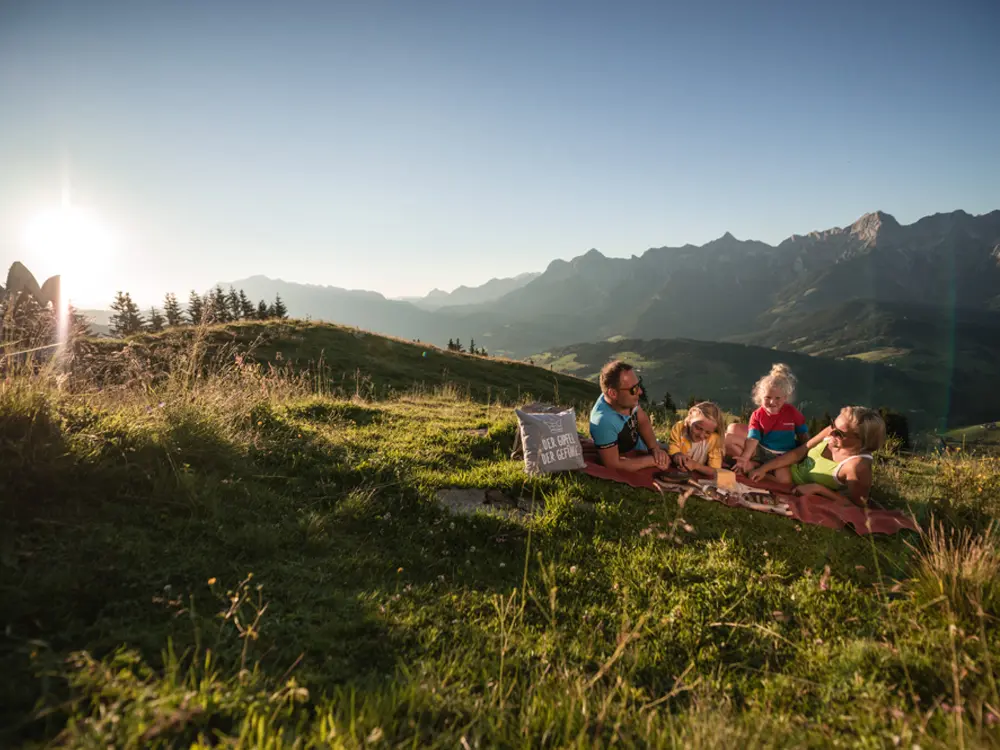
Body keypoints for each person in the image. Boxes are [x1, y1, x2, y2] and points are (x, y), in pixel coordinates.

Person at [750, 406, 886, 507]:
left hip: (791, 484)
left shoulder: (857, 466)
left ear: (861, 440)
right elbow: (801, 451)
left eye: (840, 434)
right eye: (833, 424)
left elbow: (857, 505)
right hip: (787, 468)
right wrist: (765, 468)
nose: (831, 432)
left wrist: (818, 489)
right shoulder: (833, 431)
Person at [726, 363, 808, 473]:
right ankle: (748, 464)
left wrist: (805, 455)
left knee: (784, 480)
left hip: (783, 455)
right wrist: (745, 457)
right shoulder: (758, 414)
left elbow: (803, 435)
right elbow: (753, 438)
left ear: (785, 398)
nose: (772, 402)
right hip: (762, 449)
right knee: (727, 438)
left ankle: (755, 466)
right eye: (767, 397)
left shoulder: (792, 412)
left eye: (777, 398)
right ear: (760, 397)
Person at [589, 360, 669, 472]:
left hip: (642, 446)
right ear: (613, 393)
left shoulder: (624, 400)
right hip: (631, 456)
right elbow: (613, 464)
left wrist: (654, 448)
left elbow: (642, 421)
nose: (640, 392)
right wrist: (652, 460)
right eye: (634, 389)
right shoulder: (603, 422)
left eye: (638, 385)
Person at [668, 401, 725, 476]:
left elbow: (715, 470)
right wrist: (677, 455)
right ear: (690, 417)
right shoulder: (679, 428)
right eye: (698, 428)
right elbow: (672, 451)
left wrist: (696, 466)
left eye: (708, 432)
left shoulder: (714, 439)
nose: (701, 435)